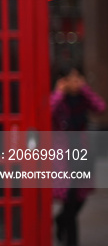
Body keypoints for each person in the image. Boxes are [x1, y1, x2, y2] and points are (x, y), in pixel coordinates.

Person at [50, 64, 105, 246]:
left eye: (78, 78)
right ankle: (72, 240)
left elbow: (100, 107)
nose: (75, 83)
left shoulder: (83, 98)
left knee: (80, 199)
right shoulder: (59, 99)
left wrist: (85, 89)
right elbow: (47, 112)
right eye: (71, 79)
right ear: (63, 81)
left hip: (82, 152)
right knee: (70, 199)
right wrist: (59, 92)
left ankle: (60, 220)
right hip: (64, 155)